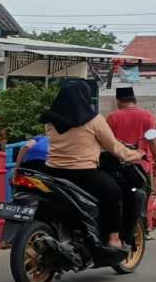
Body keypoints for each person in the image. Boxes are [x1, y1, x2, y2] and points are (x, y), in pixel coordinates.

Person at [41, 81, 143, 250]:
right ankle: (114, 239)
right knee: (114, 193)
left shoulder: (50, 121)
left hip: (52, 171)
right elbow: (114, 147)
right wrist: (136, 155)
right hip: (83, 173)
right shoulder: (94, 120)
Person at [106, 87, 156, 174]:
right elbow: (152, 141)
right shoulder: (147, 115)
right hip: (143, 165)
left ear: (118, 101)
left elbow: (108, 142)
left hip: (119, 164)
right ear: (134, 100)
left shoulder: (113, 117)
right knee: (147, 187)